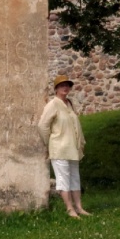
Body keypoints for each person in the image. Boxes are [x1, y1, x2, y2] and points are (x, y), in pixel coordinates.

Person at [38, 75, 90, 218]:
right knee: (63, 179)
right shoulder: (53, 104)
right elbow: (43, 125)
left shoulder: (69, 103)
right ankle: (69, 209)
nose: (65, 88)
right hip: (59, 148)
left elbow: (75, 125)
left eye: (67, 85)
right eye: (62, 85)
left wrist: (81, 143)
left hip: (72, 149)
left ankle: (79, 207)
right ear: (56, 89)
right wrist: (50, 141)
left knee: (75, 178)